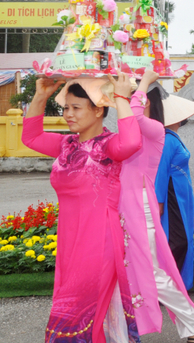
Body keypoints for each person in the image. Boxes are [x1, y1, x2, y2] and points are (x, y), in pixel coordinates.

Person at [22, 75, 144, 342]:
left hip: (99, 242)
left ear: (98, 109)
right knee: (86, 310)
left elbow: (132, 142)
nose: (68, 114)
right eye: (66, 107)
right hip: (70, 242)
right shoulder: (67, 145)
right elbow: (30, 137)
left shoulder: (108, 147)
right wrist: (41, 95)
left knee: (79, 310)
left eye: (76, 108)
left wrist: (122, 97)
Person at [121, 70, 194, 342]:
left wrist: (144, 83)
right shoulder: (134, 130)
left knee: (150, 271)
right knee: (124, 269)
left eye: (131, 98)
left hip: (141, 206)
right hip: (125, 207)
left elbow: (136, 115)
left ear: (144, 100)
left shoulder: (153, 130)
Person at [155, 91, 194, 289]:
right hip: (172, 194)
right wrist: (158, 202)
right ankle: (167, 286)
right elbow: (161, 172)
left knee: (181, 238)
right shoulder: (167, 139)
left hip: (182, 196)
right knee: (177, 241)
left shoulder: (172, 137)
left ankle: (174, 285)